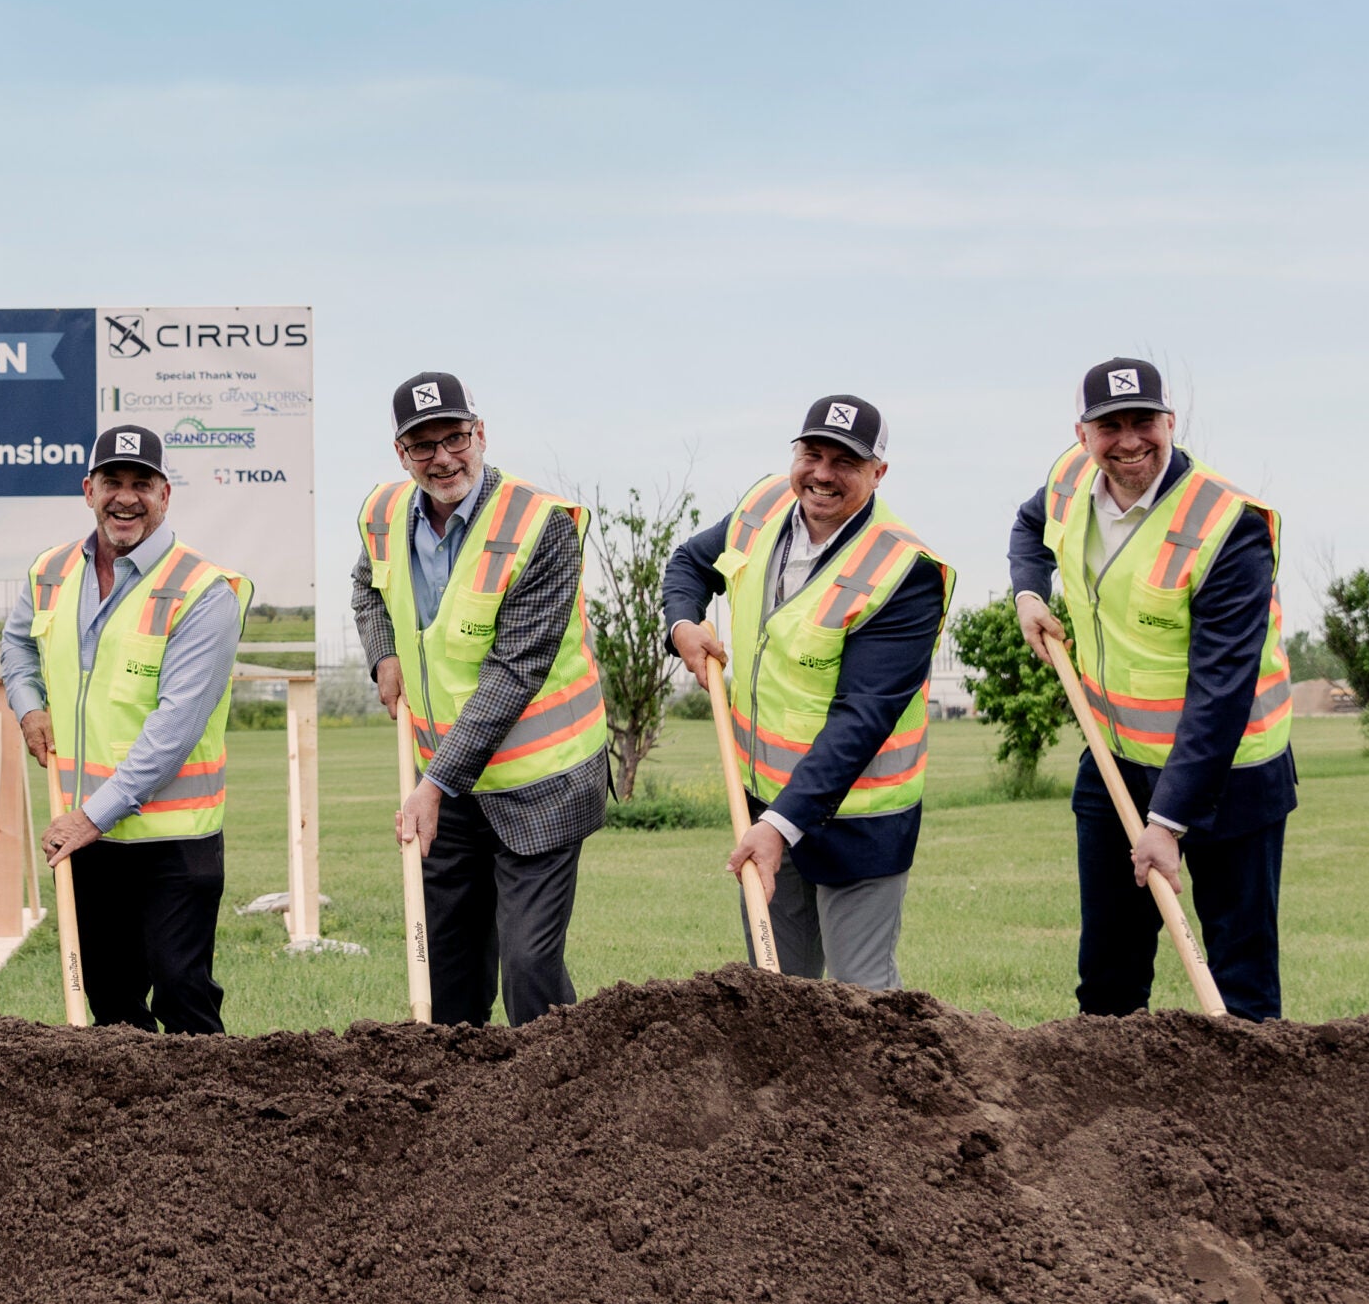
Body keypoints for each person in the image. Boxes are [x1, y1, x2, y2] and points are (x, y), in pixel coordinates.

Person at [1006, 358, 1295, 1020]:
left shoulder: (1230, 526)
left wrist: (1168, 822)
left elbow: (1222, 691)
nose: (1129, 439)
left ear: (1171, 422)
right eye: (1110, 425)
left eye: (1144, 421)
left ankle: (1249, 1109)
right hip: (1116, 760)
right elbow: (1028, 528)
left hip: (1231, 773)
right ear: (1082, 434)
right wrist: (1029, 591)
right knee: (1108, 973)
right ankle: (1106, 1113)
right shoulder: (1068, 479)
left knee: (1239, 977)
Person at [665, 395, 953, 988]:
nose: (822, 474)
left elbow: (862, 720)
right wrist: (683, 626)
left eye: (844, 461)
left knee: (861, 995)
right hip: (762, 796)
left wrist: (778, 827)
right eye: (812, 453)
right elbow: (690, 564)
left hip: (858, 818)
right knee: (776, 985)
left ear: (878, 473)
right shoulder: (763, 505)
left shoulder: (906, 571)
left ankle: (883, 1084)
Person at [353, 372, 610, 1026]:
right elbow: (366, 585)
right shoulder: (384, 514)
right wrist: (383, 652)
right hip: (448, 784)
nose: (443, 457)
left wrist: (433, 783)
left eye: (455, 438)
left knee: (530, 966)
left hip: (542, 779)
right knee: (447, 968)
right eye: (422, 445)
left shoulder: (542, 526)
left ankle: (560, 1101)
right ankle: (459, 1110)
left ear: (480, 434)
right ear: (400, 452)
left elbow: (514, 670)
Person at [2, 425, 250, 1033]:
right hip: (90, 839)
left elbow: (176, 725)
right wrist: (29, 704)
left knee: (181, 989)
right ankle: (132, 1127)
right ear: (89, 489)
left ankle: (213, 1116)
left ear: (166, 496)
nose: (126, 497)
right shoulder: (50, 571)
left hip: (172, 840)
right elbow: (16, 645)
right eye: (113, 481)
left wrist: (90, 818)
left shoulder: (204, 591)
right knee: (110, 999)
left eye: (143, 484)